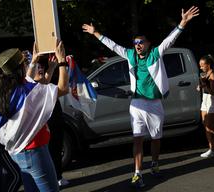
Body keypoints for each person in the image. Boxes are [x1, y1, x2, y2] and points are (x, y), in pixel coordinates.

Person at [82, 6, 199, 188]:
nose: (137, 45)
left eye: (141, 42)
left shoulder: (155, 54)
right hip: (136, 104)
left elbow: (170, 40)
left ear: (148, 44)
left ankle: (154, 164)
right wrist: (96, 33)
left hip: (155, 105)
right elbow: (112, 45)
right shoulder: (130, 55)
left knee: (156, 138)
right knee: (137, 139)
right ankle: (137, 173)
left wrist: (183, 22)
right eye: (135, 42)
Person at [0, 41, 69, 192]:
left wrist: (33, 61)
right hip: (34, 152)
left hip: (18, 153)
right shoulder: (27, 91)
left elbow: (25, 83)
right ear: (22, 68)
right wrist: (62, 62)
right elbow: (63, 88)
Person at [33, 55, 70, 187]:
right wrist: (61, 64)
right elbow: (63, 88)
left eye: (42, 67)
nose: (41, 69)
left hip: (54, 120)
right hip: (43, 128)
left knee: (56, 148)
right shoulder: (31, 87)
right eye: (38, 67)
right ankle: (53, 178)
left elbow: (45, 83)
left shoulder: (43, 84)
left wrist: (54, 66)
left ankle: (57, 176)